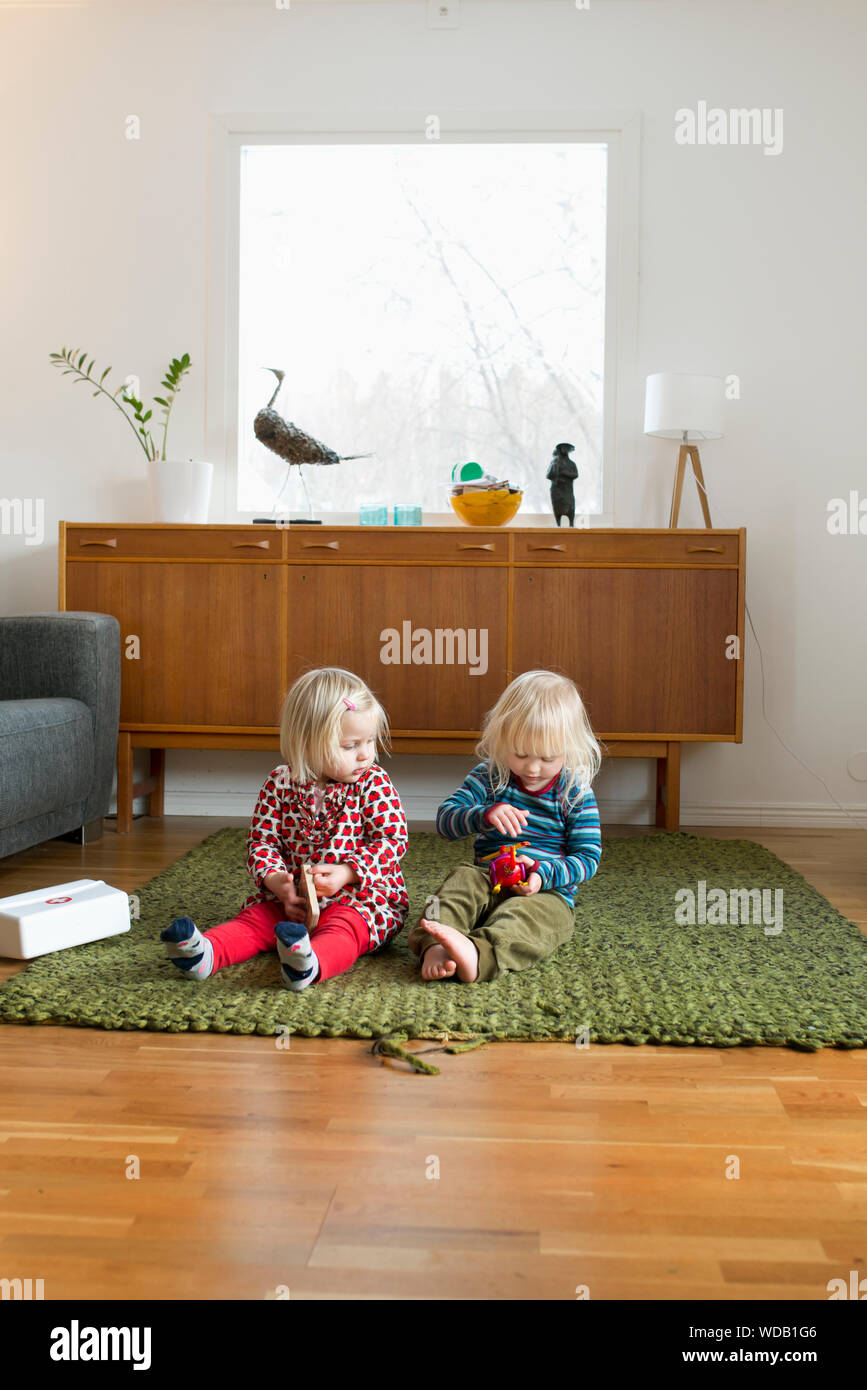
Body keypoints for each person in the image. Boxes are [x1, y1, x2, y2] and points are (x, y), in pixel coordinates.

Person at [160, 667, 408, 990]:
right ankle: (206, 953)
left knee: (345, 930)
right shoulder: (280, 783)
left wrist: (347, 873)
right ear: (308, 743)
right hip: (292, 902)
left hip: (358, 899)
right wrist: (278, 884)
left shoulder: (373, 782)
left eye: (370, 741)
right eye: (350, 746)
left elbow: (392, 840)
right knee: (256, 921)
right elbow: (261, 842)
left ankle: (307, 964)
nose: (365, 755)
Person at [408, 669, 602, 983]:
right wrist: (483, 814)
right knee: (460, 882)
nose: (533, 768)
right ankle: (436, 947)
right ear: (502, 739)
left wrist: (543, 875)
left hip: (546, 894)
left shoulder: (575, 791)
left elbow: (589, 857)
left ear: (570, 747)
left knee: (524, 920)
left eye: (548, 757)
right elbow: (445, 821)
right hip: (487, 876)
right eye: (521, 754)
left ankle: (477, 954)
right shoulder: (490, 776)